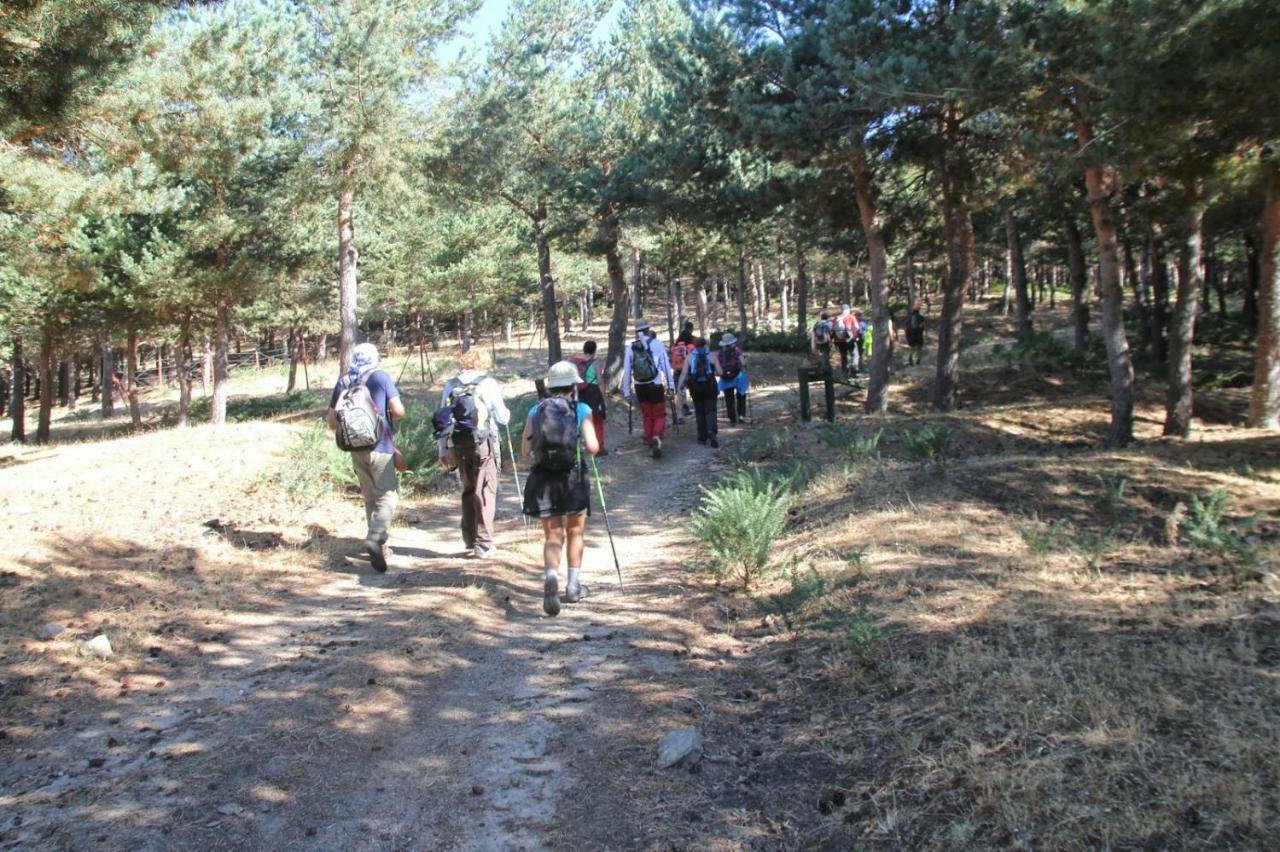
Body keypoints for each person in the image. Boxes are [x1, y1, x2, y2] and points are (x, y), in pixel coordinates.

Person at [521, 360, 601, 616]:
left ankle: (551, 576)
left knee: (553, 535)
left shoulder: (536, 410)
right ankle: (573, 586)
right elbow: (594, 446)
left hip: (544, 479)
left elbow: (526, 451)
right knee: (575, 531)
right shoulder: (582, 408)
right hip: (573, 477)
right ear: (573, 386)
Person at [327, 343, 405, 573]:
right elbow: (399, 411)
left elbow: (332, 422)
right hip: (380, 445)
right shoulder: (380, 377)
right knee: (388, 496)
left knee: (370, 496)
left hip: (354, 448)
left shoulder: (344, 381)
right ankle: (376, 536)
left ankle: (380, 544)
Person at [437, 349, 511, 559]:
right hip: (484, 443)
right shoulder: (487, 383)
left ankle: (470, 538)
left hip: (457, 444)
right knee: (486, 489)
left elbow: (443, 419)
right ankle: (484, 543)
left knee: (469, 487)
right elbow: (503, 417)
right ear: (483, 364)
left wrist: (442, 450)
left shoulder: (451, 385)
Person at [621, 318, 674, 458]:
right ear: (648, 329)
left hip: (640, 387)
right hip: (655, 385)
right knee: (660, 415)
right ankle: (657, 436)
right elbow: (666, 367)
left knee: (647, 416)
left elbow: (627, 371)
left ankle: (651, 444)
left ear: (636, 331)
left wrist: (626, 391)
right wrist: (671, 386)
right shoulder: (657, 344)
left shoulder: (631, 347)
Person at [678, 336, 720, 447]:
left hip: (695, 387)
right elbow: (720, 372)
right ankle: (711, 431)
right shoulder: (711, 355)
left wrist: (680, 386)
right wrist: (714, 372)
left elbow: (684, 373)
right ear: (705, 344)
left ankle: (702, 437)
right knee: (710, 410)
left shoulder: (689, 356)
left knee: (699, 411)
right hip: (710, 386)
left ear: (694, 345)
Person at [570, 340, 608, 455]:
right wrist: (603, 397)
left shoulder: (577, 362)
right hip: (593, 392)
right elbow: (600, 381)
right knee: (597, 421)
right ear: (594, 350)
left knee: (585, 420)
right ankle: (599, 448)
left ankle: (586, 446)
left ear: (584, 349)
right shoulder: (596, 363)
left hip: (580, 392)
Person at [715, 332, 749, 426]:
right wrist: (745, 361)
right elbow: (743, 363)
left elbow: (718, 367)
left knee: (729, 399)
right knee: (741, 395)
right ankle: (741, 415)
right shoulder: (737, 350)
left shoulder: (720, 353)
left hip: (725, 378)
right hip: (738, 377)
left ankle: (732, 419)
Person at [669, 324, 696, 423]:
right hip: (689, 372)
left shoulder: (674, 347)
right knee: (694, 392)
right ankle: (698, 411)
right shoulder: (691, 346)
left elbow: (671, 360)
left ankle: (680, 415)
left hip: (677, 372)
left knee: (679, 393)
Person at [834, 304, 861, 376]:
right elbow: (856, 327)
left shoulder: (837, 318)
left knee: (843, 357)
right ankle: (854, 371)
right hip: (850, 340)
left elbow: (833, 330)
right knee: (855, 355)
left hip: (840, 341)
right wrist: (854, 336)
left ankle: (844, 373)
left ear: (842, 310)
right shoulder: (851, 317)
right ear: (848, 310)